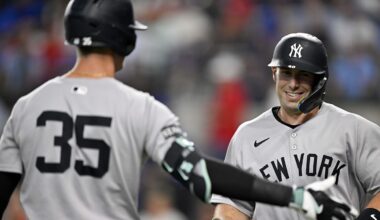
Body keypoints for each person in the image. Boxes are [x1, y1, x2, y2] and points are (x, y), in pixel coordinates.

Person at [0, 1, 357, 219]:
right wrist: (297, 196)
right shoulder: (139, 107)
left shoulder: (27, 106)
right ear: (126, 39)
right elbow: (200, 176)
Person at [211, 32, 380, 220]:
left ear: (320, 80)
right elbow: (231, 206)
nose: (293, 84)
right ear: (274, 74)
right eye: (286, 73)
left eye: (303, 75)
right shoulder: (246, 136)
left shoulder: (353, 129)